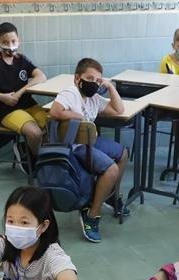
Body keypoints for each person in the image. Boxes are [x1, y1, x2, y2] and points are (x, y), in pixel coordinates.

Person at [49, 57, 128, 243]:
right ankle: (92, 215)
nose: (93, 83)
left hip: (89, 141)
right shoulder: (71, 92)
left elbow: (119, 110)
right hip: (74, 146)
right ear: (78, 78)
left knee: (123, 153)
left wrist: (110, 87)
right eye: (89, 78)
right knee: (111, 169)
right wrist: (75, 115)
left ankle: (111, 196)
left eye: (97, 80)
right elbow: (55, 111)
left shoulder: (94, 98)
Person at [0, 22, 48, 160]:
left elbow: (41, 76)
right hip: (7, 110)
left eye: (13, 41)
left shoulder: (22, 60)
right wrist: (2, 97)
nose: (10, 45)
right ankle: (36, 162)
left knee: (53, 124)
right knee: (35, 133)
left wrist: (20, 92)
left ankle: (29, 151)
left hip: (28, 105)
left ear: (18, 40)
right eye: (5, 42)